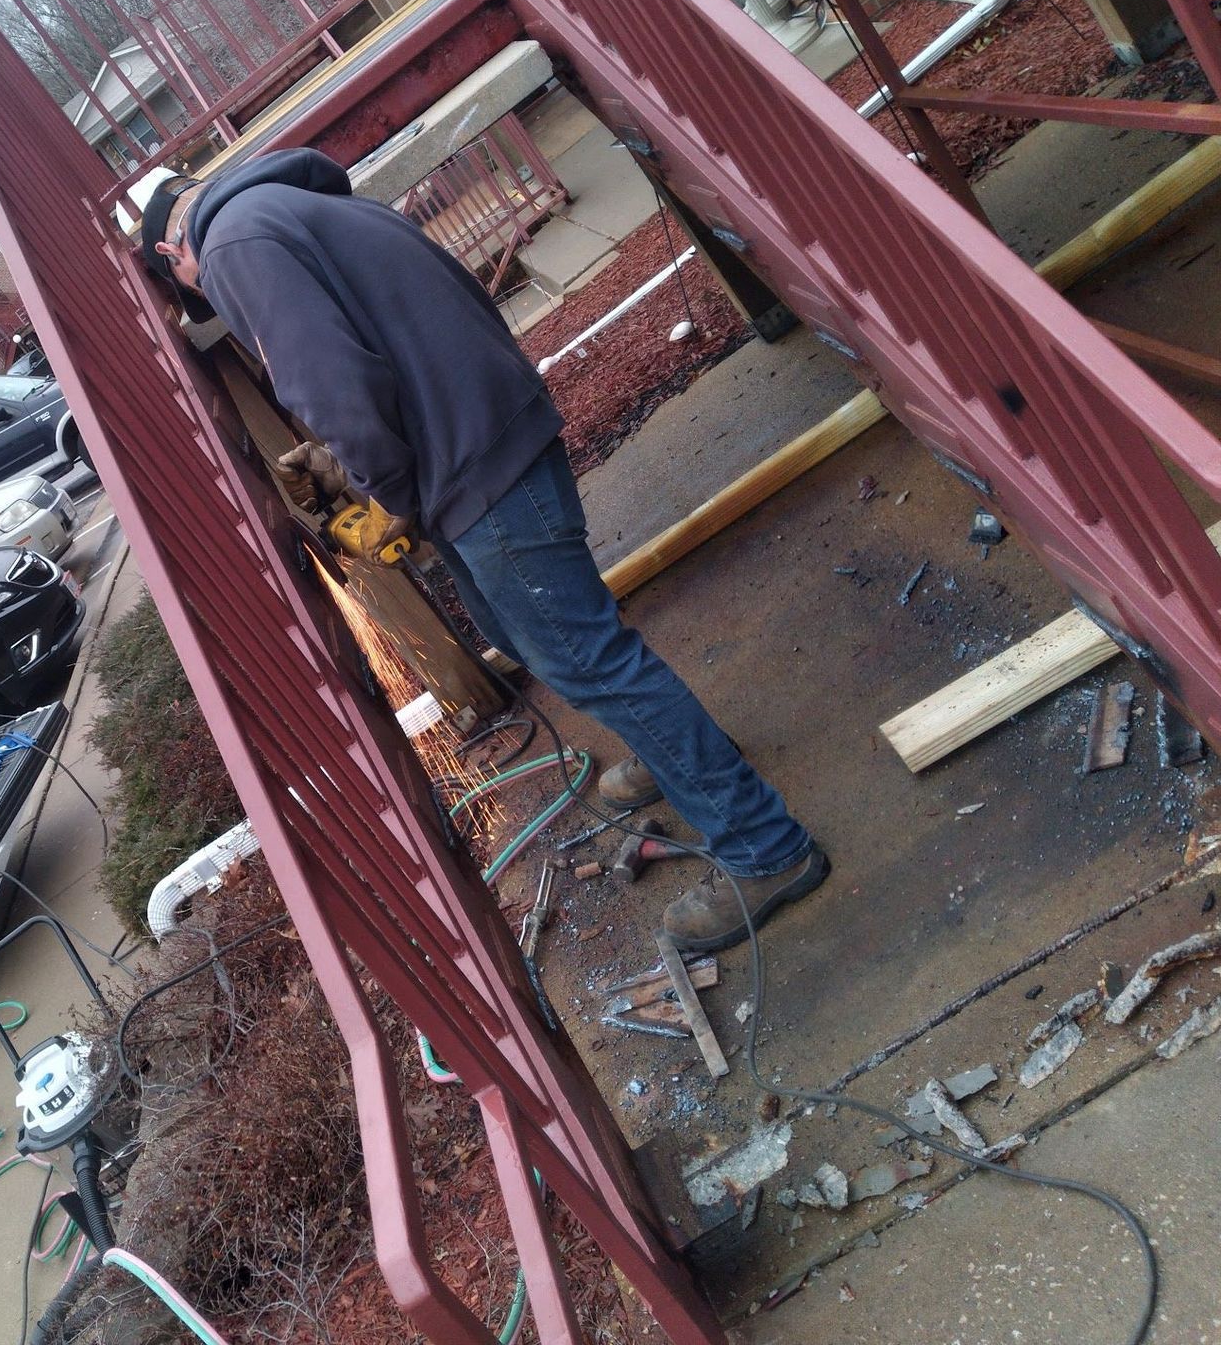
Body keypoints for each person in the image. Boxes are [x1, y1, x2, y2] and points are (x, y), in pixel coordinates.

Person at [138, 148, 828, 952]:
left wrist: (385, 489)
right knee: (546, 640)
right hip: (483, 434)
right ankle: (676, 754)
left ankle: (763, 847)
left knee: (586, 658)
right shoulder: (286, 204)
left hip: (471, 463)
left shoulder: (227, 246)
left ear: (170, 255)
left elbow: (326, 384)